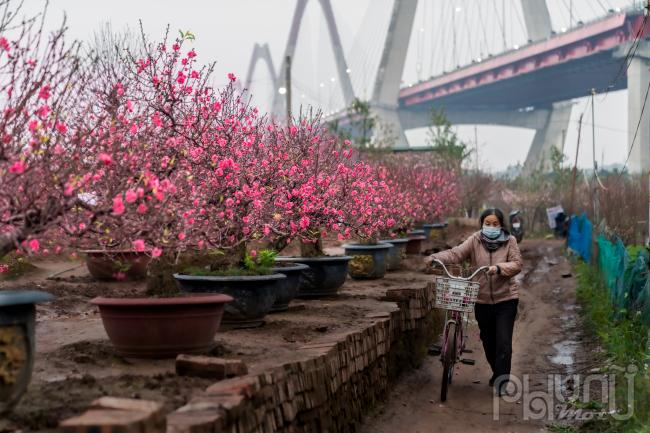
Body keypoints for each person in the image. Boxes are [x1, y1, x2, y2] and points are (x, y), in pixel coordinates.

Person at [424, 208, 523, 395]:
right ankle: (497, 372)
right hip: (482, 300)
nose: (491, 227)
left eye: (495, 224)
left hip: (506, 299)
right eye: (488, 223)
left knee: (503, 344)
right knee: (488, 341)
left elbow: (517, 264)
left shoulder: (510, 241)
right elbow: (455, 254)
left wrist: (499, 268)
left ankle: (502, 382)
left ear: (501, 225)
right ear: (482, 224)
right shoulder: (475, 240)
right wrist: (434, 258)